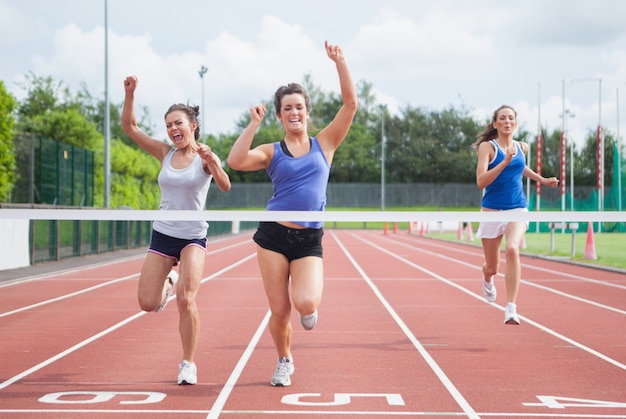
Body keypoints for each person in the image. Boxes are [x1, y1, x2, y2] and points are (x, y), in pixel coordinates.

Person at [226, 41, 357, 387]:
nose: (294, 112)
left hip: (308, 237)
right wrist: (253, 124)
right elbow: (236, 162)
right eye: (287, 108)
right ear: (280, 114)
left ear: (307, 112)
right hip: (273, 236)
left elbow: (350, 104)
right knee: (280, 310)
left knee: (305, 302)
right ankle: (284, 360)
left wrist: (340, 62)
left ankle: (310, 309)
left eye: (299, 106)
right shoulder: (272, 151)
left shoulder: (325, 143)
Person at [121, 75, 231, 385]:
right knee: (148, 303)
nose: (172, 129)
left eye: (178, 123)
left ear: (193, 125)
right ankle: (170, 278)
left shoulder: (205, 158)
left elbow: (225, 186)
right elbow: (130, 128)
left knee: (187, 300)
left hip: (193, 236)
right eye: (168, 125)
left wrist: (213, 162)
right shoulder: (164, 153)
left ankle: (188, 364)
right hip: (164, 234)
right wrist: (130, 94)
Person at [473, 105, 558, 325]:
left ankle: (511, 307)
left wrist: (542, 180)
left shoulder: (523, 147)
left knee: (512, 249)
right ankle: (487, 277)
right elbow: (481, 181)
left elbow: (520, 169)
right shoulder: (487, 147)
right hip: (491, 210)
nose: (507, 121)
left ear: (516, 123)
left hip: (517, 208)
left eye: (511, 118)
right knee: (492, 267)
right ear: (495, 123)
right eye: (502, 118)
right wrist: (504, 161)